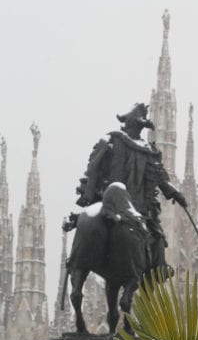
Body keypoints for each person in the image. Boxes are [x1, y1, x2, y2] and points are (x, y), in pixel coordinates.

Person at [75, 103, 187, 274]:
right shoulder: (145, 150)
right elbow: (161, 178)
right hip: (135, 205)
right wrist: (175, 193)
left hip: (109, 197)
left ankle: (75, 262)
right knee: (157, 237)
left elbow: (93, 166)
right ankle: (159, 269)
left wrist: (174, 192)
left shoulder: (113, 141)